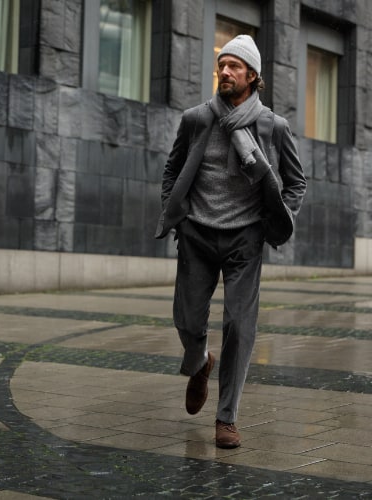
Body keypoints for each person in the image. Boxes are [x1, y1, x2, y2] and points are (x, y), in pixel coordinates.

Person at [155, 35, 306, 448]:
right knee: (187, 321)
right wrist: (175, 212)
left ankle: (226, 418)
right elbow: (172, 171)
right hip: (197, 234)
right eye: (221, 65)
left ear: (252, 76)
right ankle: (201, 361)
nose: (224, 71)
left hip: (244, 237)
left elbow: (296, 182)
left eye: (234, 66)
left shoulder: (273, 127)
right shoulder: (196, 119)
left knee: (240, 326)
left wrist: (277, 218)